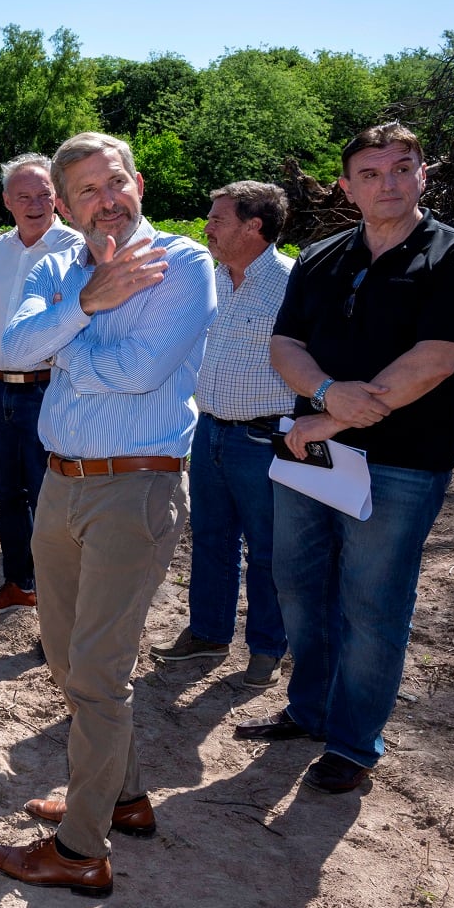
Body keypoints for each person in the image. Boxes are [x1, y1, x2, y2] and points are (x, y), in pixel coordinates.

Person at [0, 131, 217, 897]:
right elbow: (13, 348)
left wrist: (66, 336)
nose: (106, 200)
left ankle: (81, 851)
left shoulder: (183, 263)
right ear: (67, 204)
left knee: (101, 676)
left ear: (136, 181)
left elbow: (140, 373)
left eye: (114, 183)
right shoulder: (57, 265)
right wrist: (87, 302)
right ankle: (122, 796)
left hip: (134, 489)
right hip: (61, 483)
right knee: (67, 660)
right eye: (87, 192)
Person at [238, 123, 454, 795]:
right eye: (372, 173)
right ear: (347, 187)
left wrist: (332, 413)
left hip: (402, 464)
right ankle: (309, 710)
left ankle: (353, 744)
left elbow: (434, 361)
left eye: (402, 168)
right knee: (296, 583)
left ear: (423, 174)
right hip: (312, 456)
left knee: (371, 605)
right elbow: (284, 348)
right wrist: (324, 394)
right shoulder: (323, 256)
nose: (389, 183)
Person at [149, 181, 293, 689]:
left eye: (218, 219)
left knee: (269, 548)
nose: (206, 228)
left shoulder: (293, 284)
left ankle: (267, 648)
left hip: (264, 439)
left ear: (254, 227)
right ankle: (208, 633)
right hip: (207, 430)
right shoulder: (210, 279)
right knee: (211, 539)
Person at [0, 154, 83, 615]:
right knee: (4, 493)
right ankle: (20, 582)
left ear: (57, 197)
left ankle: (59, 599)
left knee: (49, 496)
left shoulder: (76, 249)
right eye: (24, 196)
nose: (35, 204)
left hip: (46, 390)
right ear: (7, 202)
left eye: (43, 195)